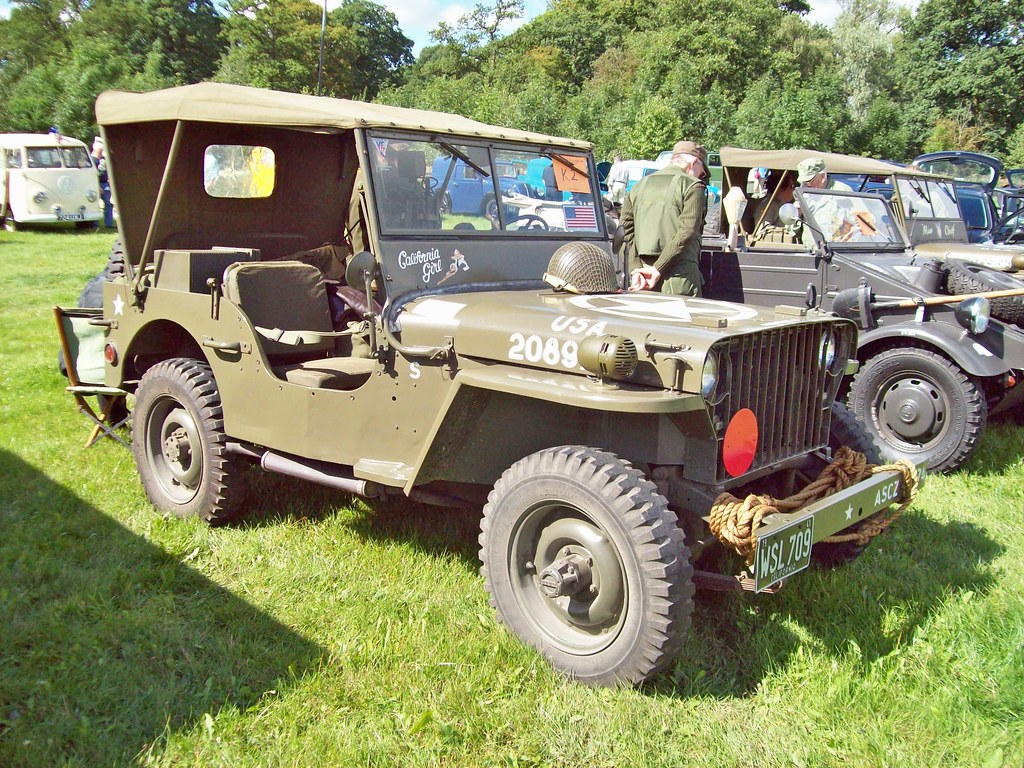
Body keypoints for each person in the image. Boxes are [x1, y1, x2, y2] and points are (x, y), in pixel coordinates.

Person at [620, 140, 707, 296]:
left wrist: (635, 271)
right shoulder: (692, 185)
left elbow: (624, 234)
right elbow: (687, 231)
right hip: (679, 278)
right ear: (694, 162)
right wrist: (657, 269)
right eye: (702, 171)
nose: (701, 176)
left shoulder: (639, 186)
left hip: (641, 279)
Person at [91, 137, 114, 228]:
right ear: (95, 150)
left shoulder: (103, 159)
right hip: (95, 184)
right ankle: (95, 223)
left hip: (105, 184)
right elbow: (92, 175)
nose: (101, 152)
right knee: (94, 203)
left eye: (102, 150)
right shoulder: (92, 160)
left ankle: (109, 224)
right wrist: (97, 186)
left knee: (108, 203)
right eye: (100, 151)